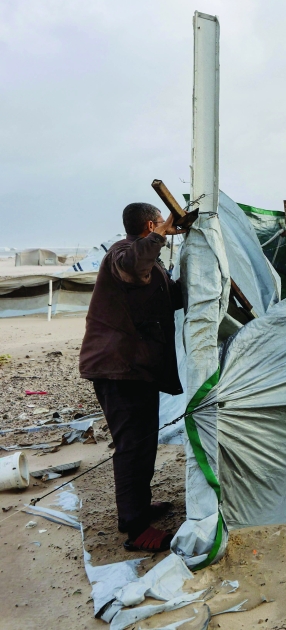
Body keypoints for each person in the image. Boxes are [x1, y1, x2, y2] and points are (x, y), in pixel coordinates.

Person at [79, 202, 185, 552]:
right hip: (118, 369)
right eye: (159, 228)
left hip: (133, 369)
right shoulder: (122, 253)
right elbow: (132, 264)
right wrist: (159, 236)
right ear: (151, 226)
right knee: (132, 448)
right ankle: (136, 528)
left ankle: (138, 508)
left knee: (143, 442)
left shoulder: (148, 265)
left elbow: (167, 298)